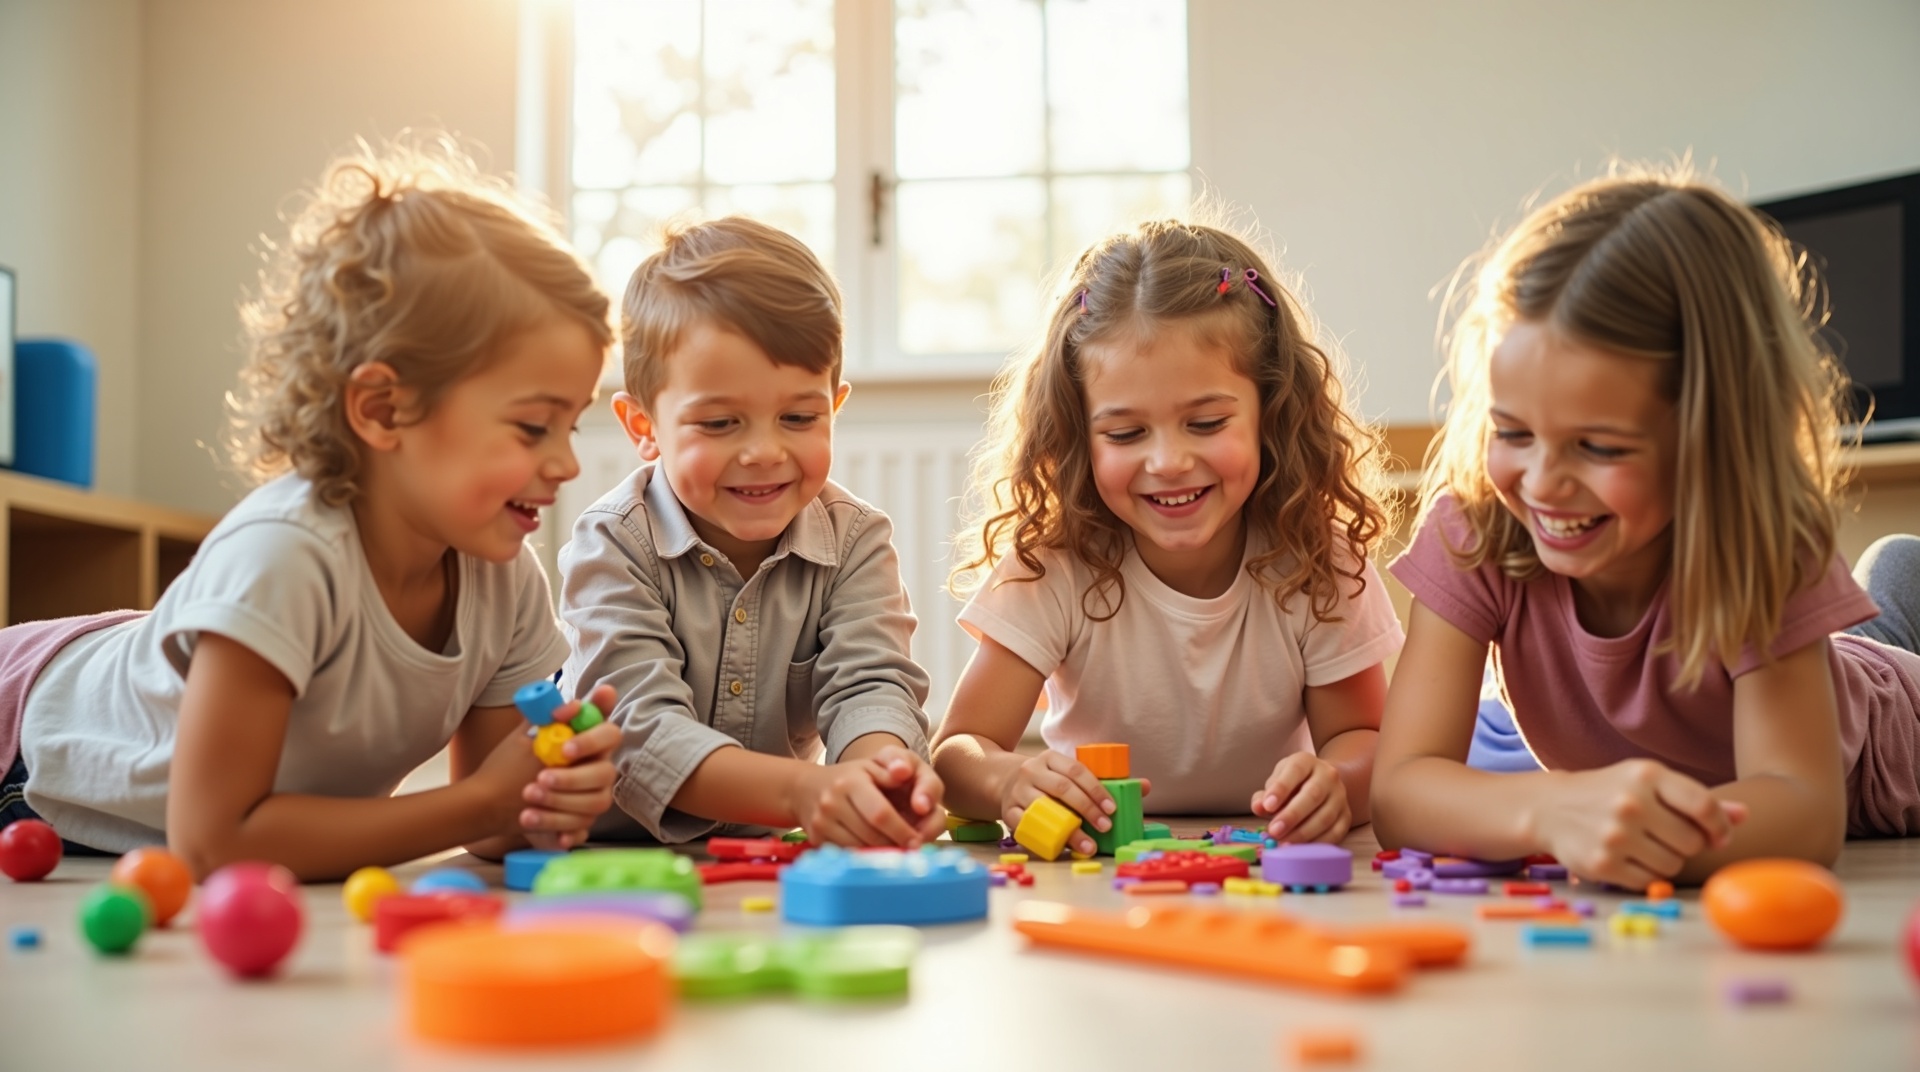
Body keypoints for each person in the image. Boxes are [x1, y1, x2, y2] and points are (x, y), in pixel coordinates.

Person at [0, 140, 621, 880]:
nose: (567, 464)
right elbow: (214, 840)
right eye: (531, 426)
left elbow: (492, 821)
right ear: (384, 409)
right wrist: (484, 805)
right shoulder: (284, 555)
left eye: (570, 425)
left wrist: (548, 794)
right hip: (27, 753)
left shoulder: (507, 580)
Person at [1373, 168, 1920, 889]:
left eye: (1599, 447)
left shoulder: (1763, 540)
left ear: (1711, 437)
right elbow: (1402, 785)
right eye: (1513, 432)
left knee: (1882, 631)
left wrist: (1619, 835)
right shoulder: (1475, 530)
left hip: (1884, 737)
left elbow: (1803, 811)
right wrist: (1551, 809)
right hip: (1807, 673)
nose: (1541, 483)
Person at [933, 219, 1403, 856]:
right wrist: (1008, 778)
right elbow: (959, 754)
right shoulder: (1053, 565)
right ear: (1079, 435)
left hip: (1263, 861)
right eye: (1126, 435)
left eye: (1206, 423)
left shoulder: (1318, 559)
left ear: (1272, 410)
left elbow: (1365, 740)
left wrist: (1338, 784)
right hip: (1097, 865)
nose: (1169, 462)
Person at [560, 216, 943, 848]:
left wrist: (884, 774)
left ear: (835, 407)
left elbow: (871, 686)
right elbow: (641, 730)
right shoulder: (613, 542)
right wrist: (802, 791)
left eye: (798, 416)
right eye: (719, 423)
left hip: (754, 849)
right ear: (642, 426)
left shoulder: (856, 540)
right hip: (608, 848)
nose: (765, 451)